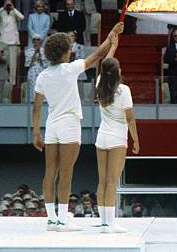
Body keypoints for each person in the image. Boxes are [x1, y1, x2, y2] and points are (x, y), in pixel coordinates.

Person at [32, 22, 124, 232]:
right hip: (69, 124)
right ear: (65, 52)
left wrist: (36, 132)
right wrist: (111, 36)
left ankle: (52, 219)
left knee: (50, 173)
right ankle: (63, 220)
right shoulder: (70, 69)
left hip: (51, 125)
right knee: (66, 172)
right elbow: (97, 56)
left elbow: (36, 108)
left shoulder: (42, 75)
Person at [95, 56, 139, 233]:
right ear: (118, 71)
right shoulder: (124, 90)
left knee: (103, 181)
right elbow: (129, 118)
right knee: (113, 181)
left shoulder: (99, 84)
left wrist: (112, 43)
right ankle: (109, 224)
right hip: (117, 139)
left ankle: (104, 222)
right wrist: (136, 139)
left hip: (102, 137)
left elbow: (105, 64)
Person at [0, 0, 24, 86]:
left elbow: (22, 17)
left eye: (9, 4)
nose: (8, 6)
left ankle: (12, 82)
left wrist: (13, 8)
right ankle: (4, 80)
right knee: (3, 62)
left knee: (13, 63)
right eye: (7, 4)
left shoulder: (14, 12)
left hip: (13, 41)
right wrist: (3, 7)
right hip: (3, 41)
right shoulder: (2, 12)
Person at [24, 35, 47, 103]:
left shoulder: (43, 51)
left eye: (38, 40)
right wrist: (35, 53)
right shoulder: (28, 51)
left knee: (42, 84)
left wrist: (39, 52)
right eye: (35, 40)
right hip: (33, 69)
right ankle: (33, 100)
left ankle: (43, 99)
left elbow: (44, 62)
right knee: (33, 85)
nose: (36, 41)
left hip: (41, 69)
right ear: (33, 41)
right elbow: (28, 63)